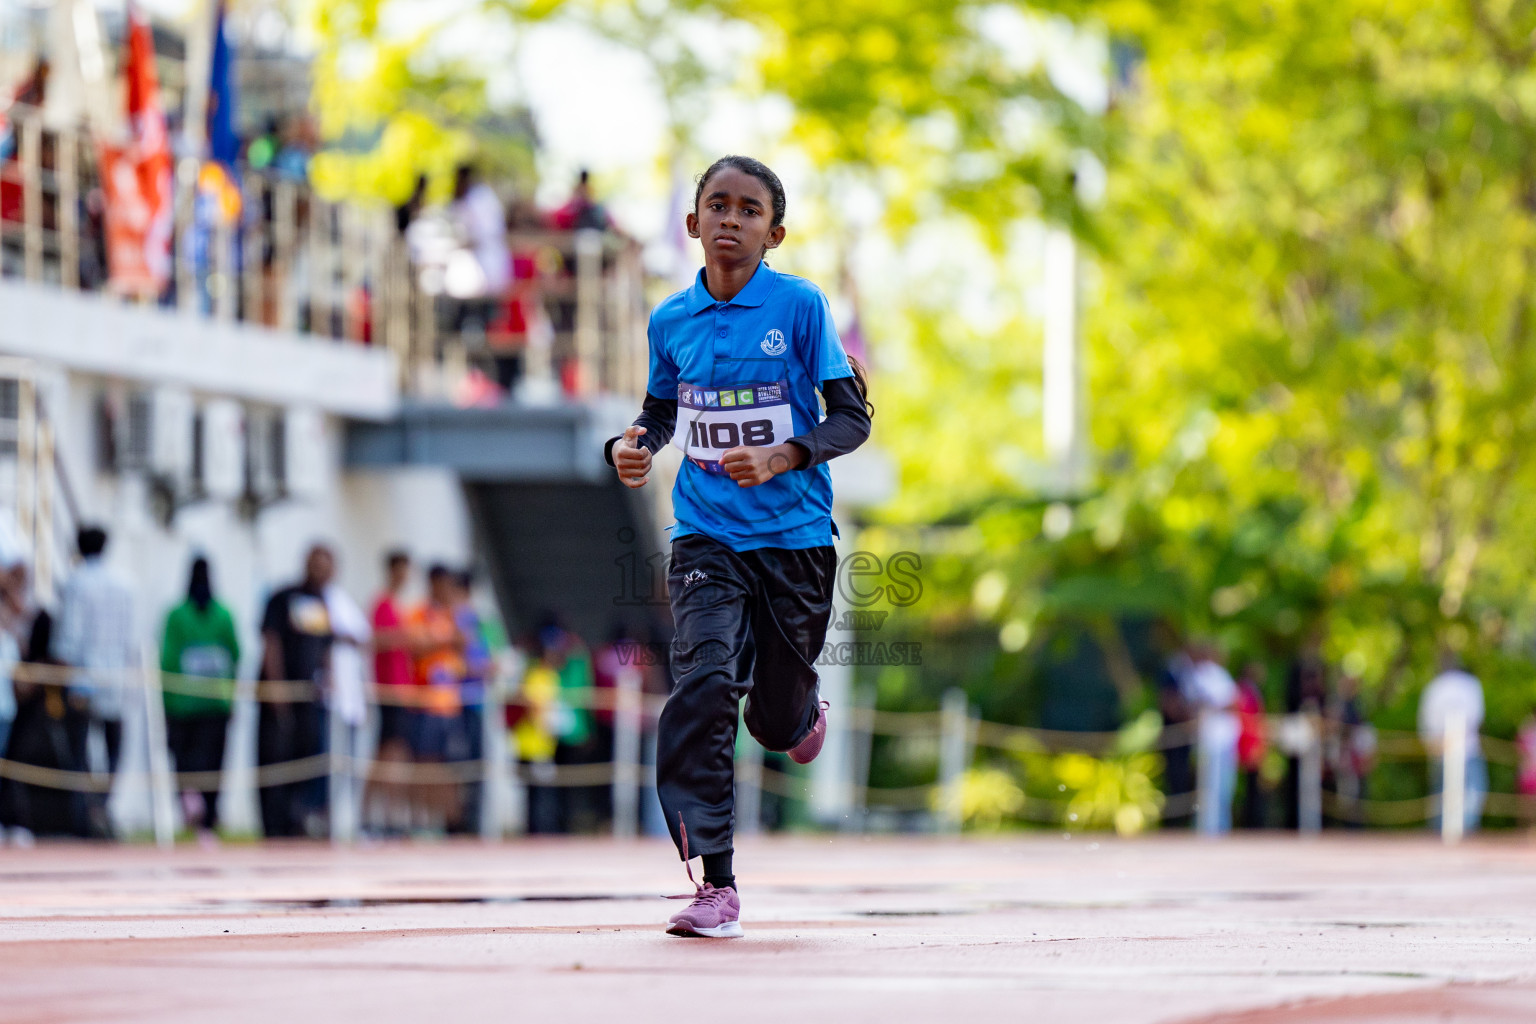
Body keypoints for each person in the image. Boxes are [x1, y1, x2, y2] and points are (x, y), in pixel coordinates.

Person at [605, 155, 872, 937]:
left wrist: (786, 455)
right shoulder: (670, 322)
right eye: (716, 206)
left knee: (772, 721)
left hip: (794, 540)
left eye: (748, 210)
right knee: (704, 681)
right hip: (704, 535)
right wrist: (634, 444)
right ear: (692, 225)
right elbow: (659, 410)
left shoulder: (798, 308)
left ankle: (797, 714)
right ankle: (714, 884)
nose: (730, 219)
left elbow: (851, 419)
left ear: (774, 232)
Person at [55, 525, 135, 838]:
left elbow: (69, 638)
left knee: (80, 752)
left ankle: (87, 815)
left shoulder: (76, 583)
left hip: (83, 678)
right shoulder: (125, 584)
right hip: (116, 678)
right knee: (114, 750)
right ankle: (104, 806)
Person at [257, 545, 336, 838]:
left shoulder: (321, 602)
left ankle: (295, 819)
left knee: (304, 757)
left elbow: (323, 646)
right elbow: (271, 640)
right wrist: (276, 686)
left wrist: (329, 677)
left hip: (308, 696)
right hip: (281, 695)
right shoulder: (283, 597)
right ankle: (273, 825)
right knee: (275, 758)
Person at [160, 557, 239, 837]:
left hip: (192, 703)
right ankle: (202, 815)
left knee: (193, 760)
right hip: (204, 702)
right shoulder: (220, 614)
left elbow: (168, 659)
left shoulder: (181, 614)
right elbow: (234, 656)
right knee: (204, 761)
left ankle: (199, 810)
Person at [406, 564, 467, 832]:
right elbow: (417, 648)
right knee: (425, 763)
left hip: (450, 704)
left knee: (448, 766)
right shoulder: (419, 613)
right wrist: (446, 640)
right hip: (426, 702)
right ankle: (422, 820)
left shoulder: (452, 614)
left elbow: (464, 645)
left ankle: (447, 821)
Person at [367, 550, 415, 833]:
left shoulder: (399, 606)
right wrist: (406, 637)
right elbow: (375, 639)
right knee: (387, 753)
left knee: (396, 753)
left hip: (402, 689)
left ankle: (389, 815)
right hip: (389, 689)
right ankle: (375, 815)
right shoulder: (382, 604)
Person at [1418, 652, 1486, 834]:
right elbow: (1476, 718)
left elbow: (1426, 723)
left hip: (1441, 750)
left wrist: (1434, 745)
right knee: (1471, 794)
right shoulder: (1470, 685)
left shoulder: (1433, 688)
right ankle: (1464, 836)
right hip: (1468, 750)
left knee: (1442, 797)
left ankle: (1442, 840)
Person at [1182, 642, 1239, 837]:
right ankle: (1208, 826)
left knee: (1224, 785)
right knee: (1209, 785)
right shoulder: (1197, 676)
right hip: (1210, 738)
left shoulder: (1220, 674)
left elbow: (1232, 701)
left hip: (1226, 738)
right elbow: (1199, 703)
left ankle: (1221, 826)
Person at [1234, 661, 1268, 829]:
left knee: (1254, 786)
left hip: (1253, 741)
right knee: (1251, 786)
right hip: (1249, 742)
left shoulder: (1251, 690)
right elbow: (1247, 719)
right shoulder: (1245, 691)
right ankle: (1251, 823)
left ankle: (1253, 822)